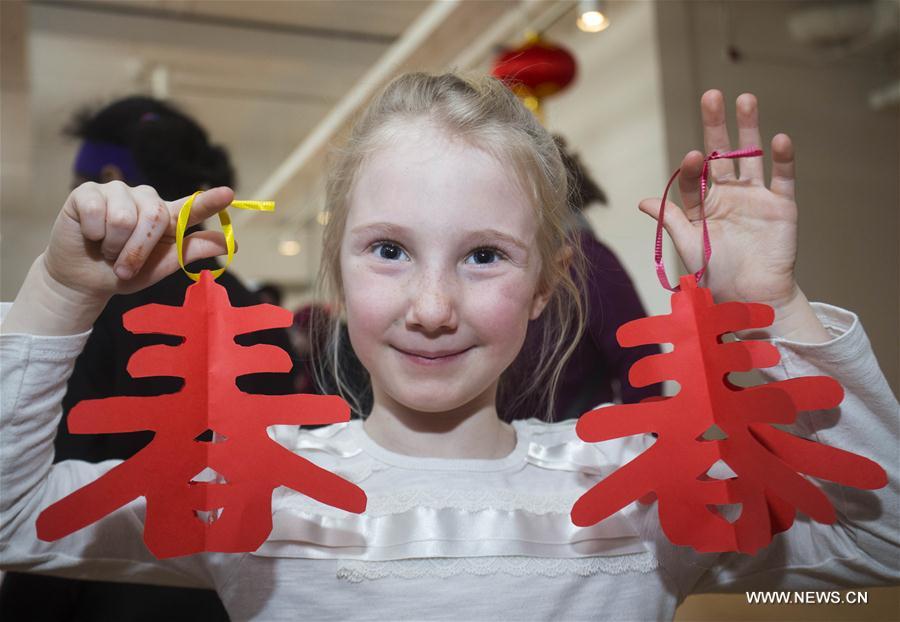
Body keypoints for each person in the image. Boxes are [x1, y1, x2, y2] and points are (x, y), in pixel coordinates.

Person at [1, 74, 897, 621]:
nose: (432, 307)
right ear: (338, 276)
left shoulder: (638, 488)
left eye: (482, 256)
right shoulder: (248, 490)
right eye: (389, 250)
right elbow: (13, 518)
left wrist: (771, 305)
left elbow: (882, 541)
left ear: (547, 283)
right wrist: (61, 288)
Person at [511, 136, 662, 421]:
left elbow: (643, 360)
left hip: (576, 452)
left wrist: (636, 444)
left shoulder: (589, 259)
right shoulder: (510, 256)